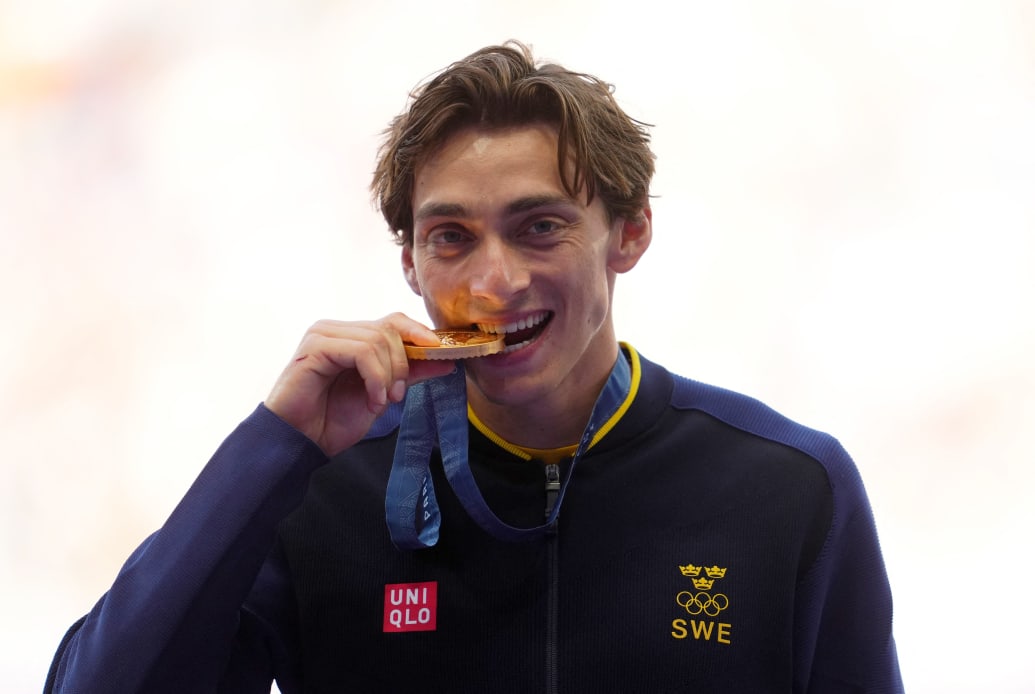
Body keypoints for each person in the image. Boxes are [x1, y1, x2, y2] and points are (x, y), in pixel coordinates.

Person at [46, 41, 903, 693]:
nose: (494, 282)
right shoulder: (319, 487)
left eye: (540, 226)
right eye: (451, 237)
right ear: (410, 263)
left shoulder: (788, 487)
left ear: (628, 233)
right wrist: (274, 446)